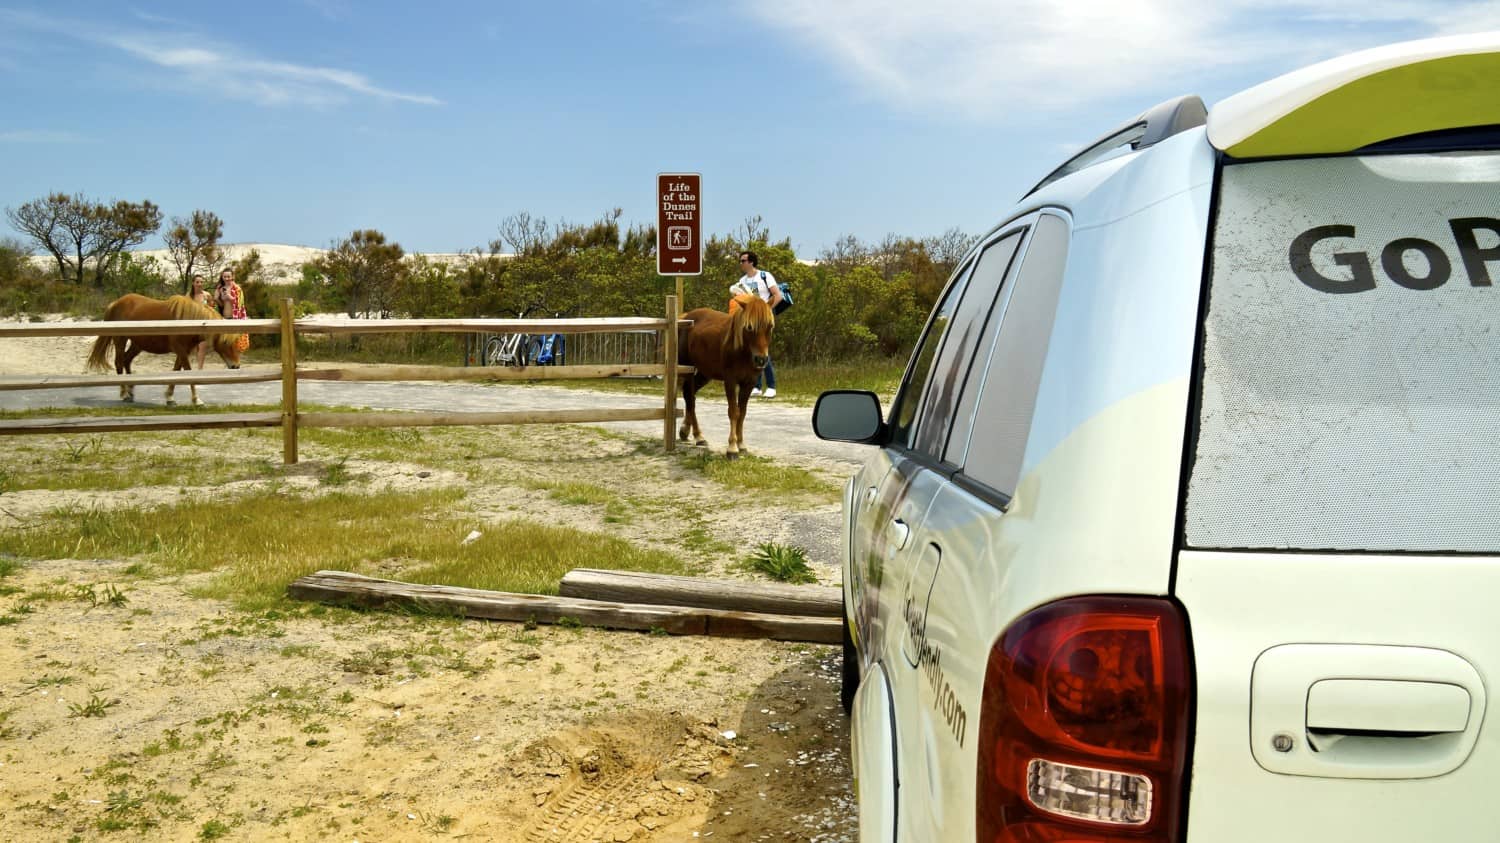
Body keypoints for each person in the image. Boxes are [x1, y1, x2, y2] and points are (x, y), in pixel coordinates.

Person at [729, 250, 783, 398]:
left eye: (743, 261)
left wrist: (765, 310)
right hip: (751, 322)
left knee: (763, 349)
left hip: (764, 321)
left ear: (751, 262)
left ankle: (771, 386)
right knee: (753, 351)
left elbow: (778, 295)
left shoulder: (764, 276)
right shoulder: (742, 281)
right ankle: (757, 386)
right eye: (740, 261)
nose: (741, 263)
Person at [215, 268, 250, 354]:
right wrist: (217, 298)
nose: (226, 278)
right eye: (225, 276)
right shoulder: (221, 288)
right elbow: (221, 305)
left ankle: (236, 358)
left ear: (232, 277)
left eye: (228, 276)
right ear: (222, 277)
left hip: (236, 317)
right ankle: (230, 358)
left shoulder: (237, 288)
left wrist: (229, 297)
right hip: (225, 316)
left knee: (236, 341)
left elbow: (240, 303)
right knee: (226, 341)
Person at [187, 273, 211, 369]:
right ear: (193, 283)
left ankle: (199, 369)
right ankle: (187, 368)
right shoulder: (189, 295)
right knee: (189, 348)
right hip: (192, 324)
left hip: (204, 324)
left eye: (201, 282)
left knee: (202, 347)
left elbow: (212, 308)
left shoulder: (207, 295)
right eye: (197, 282)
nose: (199, 284)